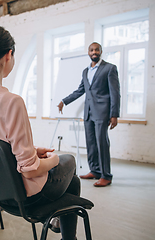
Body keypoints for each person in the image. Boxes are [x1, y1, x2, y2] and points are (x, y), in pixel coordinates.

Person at [0, 26, 84, 240]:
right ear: (9, 54)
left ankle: (66, 233)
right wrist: (54, 160)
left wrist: (32, 150)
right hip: (26, 196)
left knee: (73, 182)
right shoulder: (12, 102)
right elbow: (30, 171)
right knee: (69, 161)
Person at [57, 42, 120, 187]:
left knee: (102, 143)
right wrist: (64, 101)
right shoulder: (86, 71)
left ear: (101, 51)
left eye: (97, 49)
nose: (94, 52)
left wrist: (114, 114)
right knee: (91, 143)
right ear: (88, 52)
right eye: (91, 50)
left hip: (103, 113)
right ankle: (95, 171)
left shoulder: (109, 68)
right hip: (88, 113)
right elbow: (80, 90)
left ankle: (106, 175)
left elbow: (115, 93)